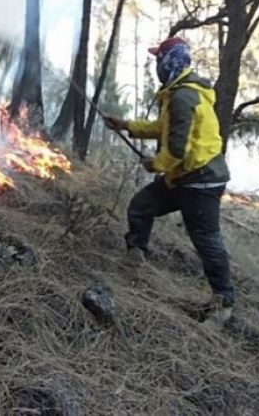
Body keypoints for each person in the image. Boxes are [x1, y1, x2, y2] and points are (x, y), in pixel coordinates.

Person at [105, 37, 235, 325]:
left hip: (200, 180)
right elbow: (163, 129)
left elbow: (176, 149)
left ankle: (223, 303)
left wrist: (155, 164)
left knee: (206, 240)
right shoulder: (177, 93)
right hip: (182, 175)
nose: (156, 66)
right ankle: (135, 257)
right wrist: (127, 126)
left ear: (169, 62)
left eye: (158, 60)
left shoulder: (183, 96)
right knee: (141, 205)